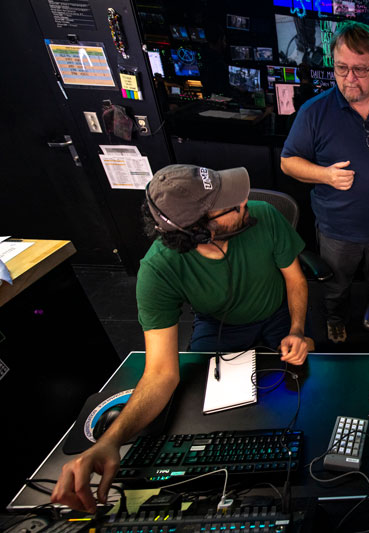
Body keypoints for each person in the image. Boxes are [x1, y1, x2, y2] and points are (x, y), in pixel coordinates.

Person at [51, 164, 310, 512]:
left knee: (303, 401)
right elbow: (160, 373)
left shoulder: (264, 215)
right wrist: (111, 440)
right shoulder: (158, 269)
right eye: (233, 205)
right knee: (204, 414)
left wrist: (297, 331)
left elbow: (295, 280)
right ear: (200, 232)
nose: (246, 201)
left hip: (279, 318)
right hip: (219, 328)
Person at [281, 21, 369, 344]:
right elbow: (288, 162)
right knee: (336, 285)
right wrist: (325, 175)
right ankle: (334, 319)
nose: (349, 78)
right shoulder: (314, 112)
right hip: (336, 229)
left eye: (359, 70)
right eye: (342, 68)